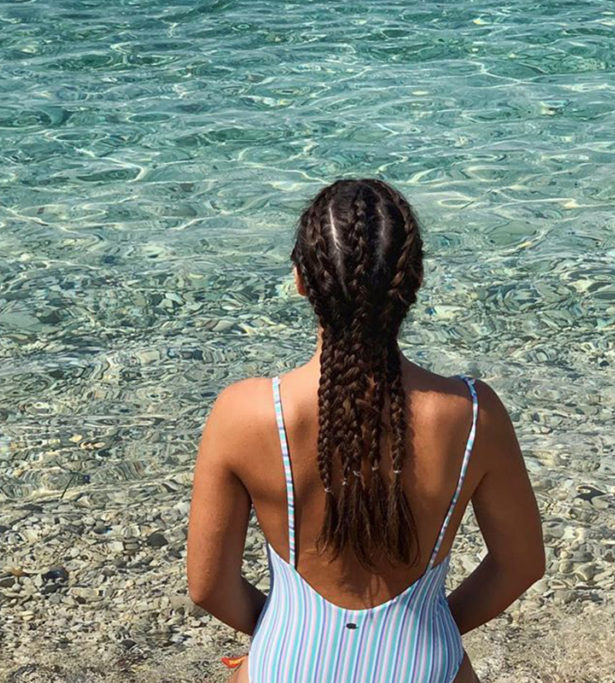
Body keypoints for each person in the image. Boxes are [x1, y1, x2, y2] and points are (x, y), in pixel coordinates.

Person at [186, 178, 546, 682]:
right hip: (423, 663)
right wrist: (431, 629)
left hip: (289, 663)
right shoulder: (471, 413)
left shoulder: (244, 412)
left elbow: (208, 587)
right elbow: (521, 564)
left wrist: (281, 635)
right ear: (414, 282)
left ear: (301, 281)